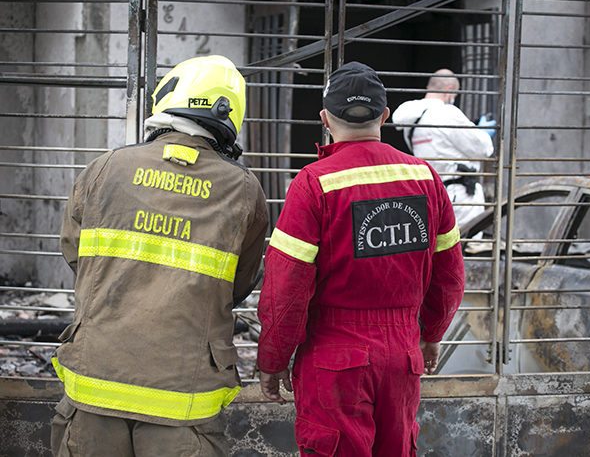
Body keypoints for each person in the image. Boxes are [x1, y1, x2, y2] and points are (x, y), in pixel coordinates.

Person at [51, 55, 269, 457]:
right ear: (229, 113)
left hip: (94, 384)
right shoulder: (243, 190)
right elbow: (239, 284)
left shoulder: (105, 167)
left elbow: (76, 255)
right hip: (183, 400)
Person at [256, 61, 465, 456]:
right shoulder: (426, 179)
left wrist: (273, 357)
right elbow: (449, 275)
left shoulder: (313, 184)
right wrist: (431, 333)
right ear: (385, 115)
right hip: (403, 355)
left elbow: (286, 286)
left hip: (335, 356)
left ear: (324, 119)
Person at [392, 68, 495, 234]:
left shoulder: (412, 121)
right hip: (461, 197)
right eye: (455, 95)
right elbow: (484, 149)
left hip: (433, 194)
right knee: (467, 245)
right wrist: (482, 133)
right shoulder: (447, 113)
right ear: (448, 90)